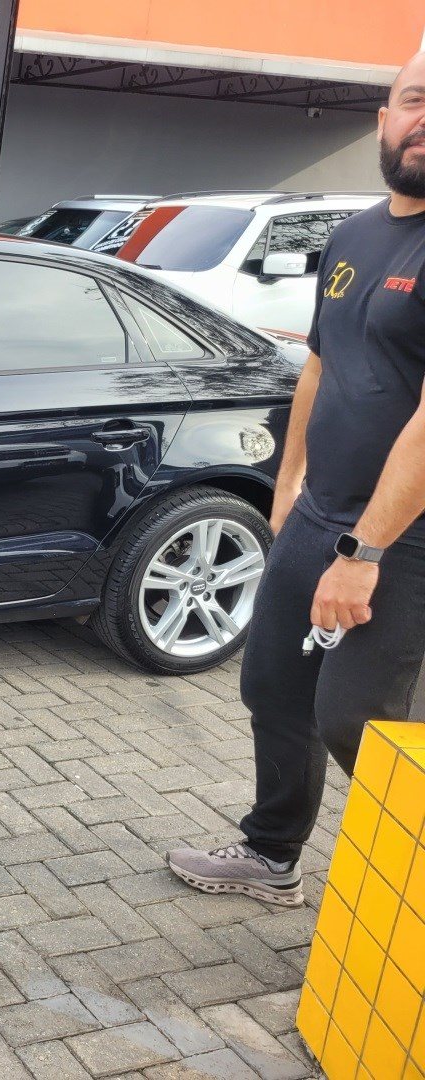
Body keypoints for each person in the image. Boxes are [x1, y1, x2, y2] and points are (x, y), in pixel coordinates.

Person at [166, 53, 425, 907]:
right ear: (385, 117)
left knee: (361, 719)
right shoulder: (353, 235)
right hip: (318, 514)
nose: (424, 119)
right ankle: (272, 854)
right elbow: (319, 366)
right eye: (416, 99)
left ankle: (402, 900)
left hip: (404, 537)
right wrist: (287, 492)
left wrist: (365, 551)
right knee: (273, 688)